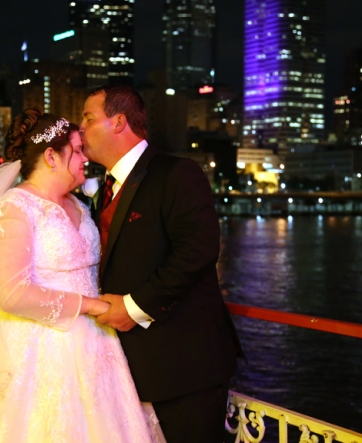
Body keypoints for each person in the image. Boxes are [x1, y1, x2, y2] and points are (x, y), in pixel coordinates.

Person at [0, 109, 162, 443]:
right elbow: (12, 294)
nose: (84, 158)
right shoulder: (15, 208)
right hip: (40, 352)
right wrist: (92, 306)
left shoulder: (80, 206)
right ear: (51, 156)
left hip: (99, 348)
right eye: (77, 150)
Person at [80, 85, 244, 443]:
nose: (79, 129)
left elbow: (198, 251)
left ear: (119, 122)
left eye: (88, 118)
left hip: (184, 366)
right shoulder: (100, 192)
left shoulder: (177, 173)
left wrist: (134, 306)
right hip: (124, 372)